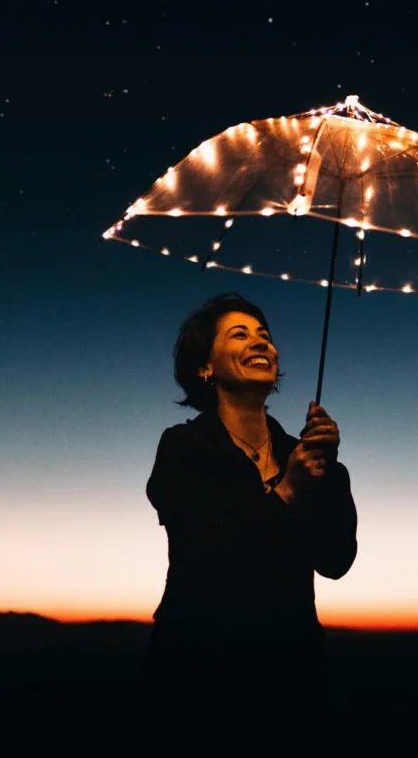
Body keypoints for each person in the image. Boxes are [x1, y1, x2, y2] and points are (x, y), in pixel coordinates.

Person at [138, 292, 358, 738]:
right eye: (240, 335)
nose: (261, 344)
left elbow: (335, 561)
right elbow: (208, 559)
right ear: (205, 367)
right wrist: (290, 489)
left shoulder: (300, 454)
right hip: (197, 675)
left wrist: (328, 471)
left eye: (266, 336)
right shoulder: (183, 448)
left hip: (292, 676)